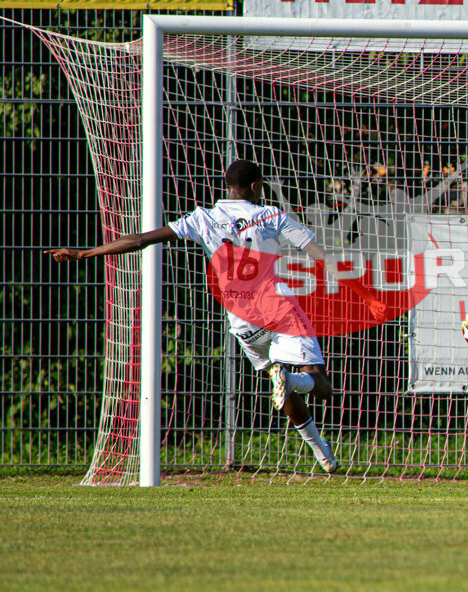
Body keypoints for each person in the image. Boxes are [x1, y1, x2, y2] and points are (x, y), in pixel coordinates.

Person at [45, 159, 377, 474]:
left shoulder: (201, 218)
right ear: (254, 185)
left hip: (242, 320)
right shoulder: (270, 215)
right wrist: (367, 297)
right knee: (318, 384)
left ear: (228, 188)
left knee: (275, 378)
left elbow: (142, 240)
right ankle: (294, 383)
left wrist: (85, 252)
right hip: (277, 308)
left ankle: (323, 456)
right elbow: (323, 258)